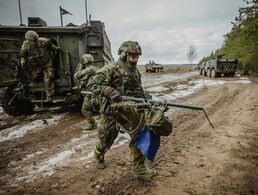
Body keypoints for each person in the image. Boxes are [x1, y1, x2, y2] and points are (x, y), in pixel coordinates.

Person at [86, 41, 172, 180]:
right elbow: (92, 84)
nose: (135, 59)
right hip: (112, 112)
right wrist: (108, 90)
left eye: (137, 56)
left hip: (129, 111)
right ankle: (98, 154)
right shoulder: (111, 68)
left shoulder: (135, 71)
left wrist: (146, 99)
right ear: (124, 54)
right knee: (106, 139)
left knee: (141, 134)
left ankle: (139, 167)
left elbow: (138, 91)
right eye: (132, 56)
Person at [20, 30, 58, 101]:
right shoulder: (25, 46)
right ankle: (33, 94)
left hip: (47, 63)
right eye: (31, 41)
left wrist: (54, 49)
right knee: (33, 78)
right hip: (36, 65)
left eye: (34, 40)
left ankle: (49, 95)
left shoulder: (43, 41)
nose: (33, 43)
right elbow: (23, 56)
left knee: (48, 77)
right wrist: (23, 63)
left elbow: (53, 47)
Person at [74, 54, 98, 130]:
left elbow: (77, 76)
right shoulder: (94, 68)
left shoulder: (89, 70)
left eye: (83, 61)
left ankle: (92, 124)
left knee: (85, 109)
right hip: (93, 92)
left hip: (92, 92)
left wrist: (80, 65)